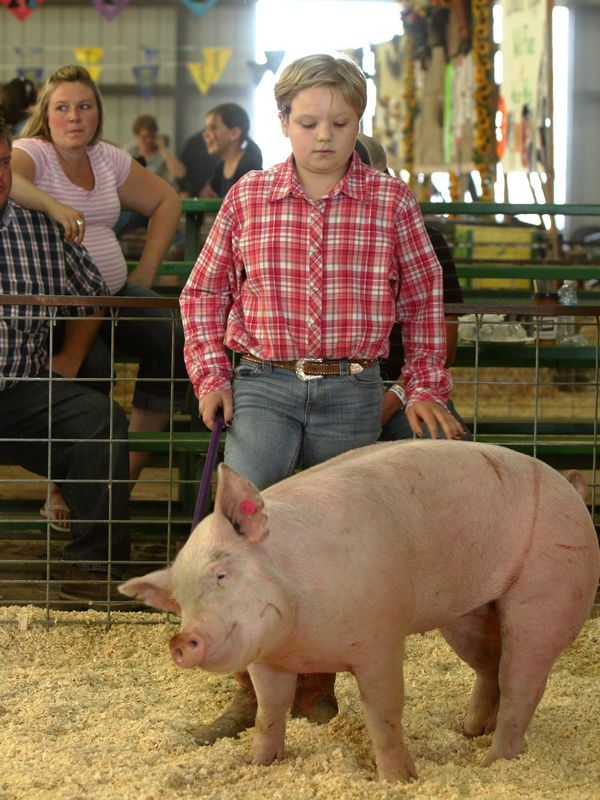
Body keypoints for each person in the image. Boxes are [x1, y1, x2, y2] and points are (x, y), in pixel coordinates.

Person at [179, 54, 465, 746]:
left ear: (359, 122)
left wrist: (423, 383)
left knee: (339, 541)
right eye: (308, 122)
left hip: (351, 389)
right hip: (266, 384)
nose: (325, 135)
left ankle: (316, 687)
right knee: (247, 534)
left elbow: (425, 299)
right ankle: (248, 693)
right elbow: (203, 294)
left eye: (340, 121)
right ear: (283, 122)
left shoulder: (391, 202)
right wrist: (211, 377)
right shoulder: (248, 197)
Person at [8, 64, 187, 531]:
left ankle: (126, 470)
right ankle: (66, 489)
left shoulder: (108, 159)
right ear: (45, 115)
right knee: (91, 367)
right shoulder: (33, 153)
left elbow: (166, 201)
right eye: (62, 107)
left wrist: (144, 273)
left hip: (114, 294)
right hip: (63, 307)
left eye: (84, 106)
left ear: (98, 113)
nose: (74, 117)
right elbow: (12, 178)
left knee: (173, 338)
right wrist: (52, 204)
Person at [0, 117, 133, 606]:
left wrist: (72, 356)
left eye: (2, 163)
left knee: (101, 420)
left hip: (21, 389)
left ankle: (94, 566)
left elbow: (93, 293)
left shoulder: (40, 227)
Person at [353, 133, 470, 440]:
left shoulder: (425, 238)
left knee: (446, 453)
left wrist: (395, 397)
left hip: (400, 385)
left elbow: (445, 344)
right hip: (327, 389)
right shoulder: (308, 236)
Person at [199, 103, 263, 197]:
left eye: (213, 128)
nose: (205, 134)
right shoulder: (219, 169)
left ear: (234, 133)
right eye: (206, 129)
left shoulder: (249, 169)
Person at [127, 114, 185, 187]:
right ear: (137, 135)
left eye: (152, 136)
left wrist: (162, 148)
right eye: (144, 137)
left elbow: (180, 173)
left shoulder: (162, 153)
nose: (149, 140)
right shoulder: (130, 151)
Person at [178, 129, 219, 197]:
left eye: (214, 127)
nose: (205, 135)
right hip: (194, 195)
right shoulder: (194, 142)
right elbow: (182, 172)